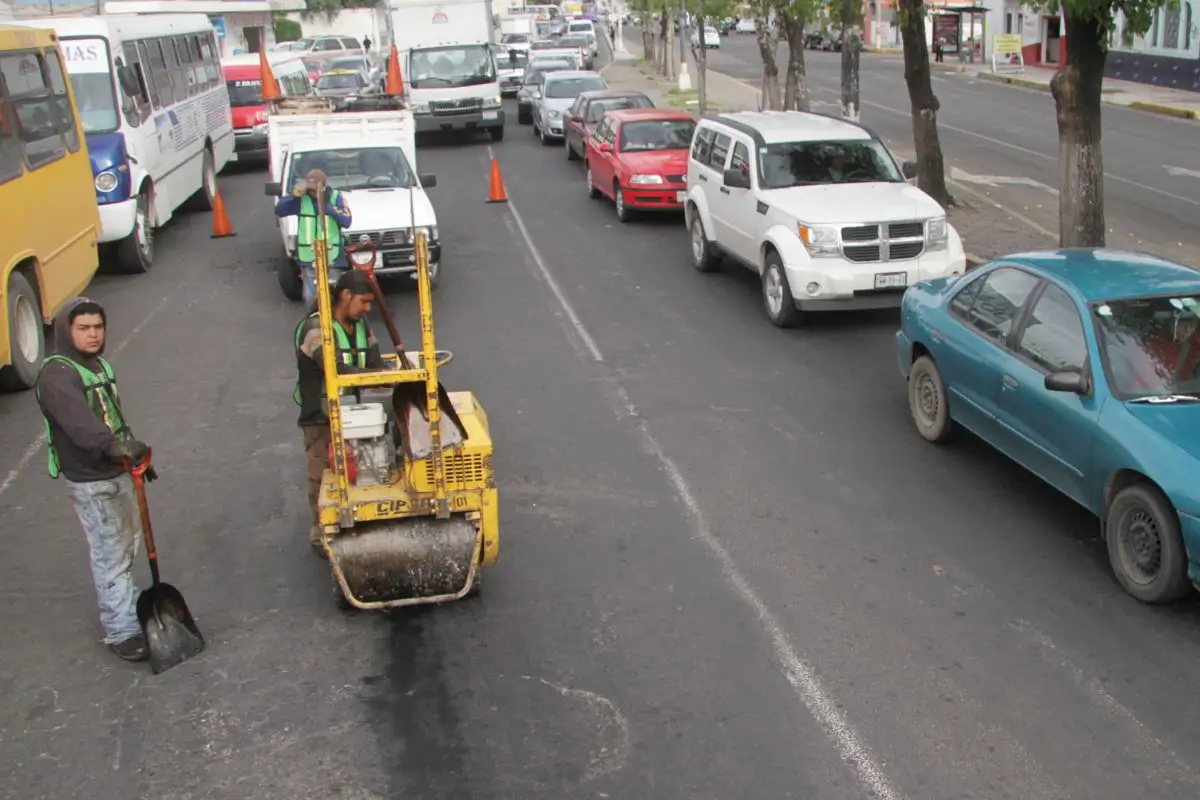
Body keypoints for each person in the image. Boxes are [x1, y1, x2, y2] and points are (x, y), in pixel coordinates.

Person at [36, 298, 154, 663]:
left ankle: (129, 606)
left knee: (126, 546)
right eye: (83, 328)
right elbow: (81, 426)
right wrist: (114, 447)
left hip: (117, 470)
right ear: (66, 332)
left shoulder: (98, 365)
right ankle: (122, 630)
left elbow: (111, 415)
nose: (93, 334)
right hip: (91, 479)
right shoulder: (58, 375)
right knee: (109, 553)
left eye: (98, 327)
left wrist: (135, 455)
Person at [294, 270, 385, 556]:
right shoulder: (314, 330)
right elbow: (334, 370)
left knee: (366, 466)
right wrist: (373, 376)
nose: (367, 308)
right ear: (345, 296)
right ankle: (321, 532)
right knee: (322, 475)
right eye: (364, 301)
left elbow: (375, 362)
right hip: (321, 416)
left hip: (358, 413)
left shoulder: (361, 325)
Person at [275, 168, 353, 309]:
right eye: (310, 189)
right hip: (309, 256)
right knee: (311, 296)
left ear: (324, 186)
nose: (312, 193)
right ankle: (315, 322)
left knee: (334, 294)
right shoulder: (301, 200)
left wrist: (328, 208)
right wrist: (293, 196)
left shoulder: (336, 197)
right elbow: (280, 210)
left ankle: (336, 324)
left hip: (332, 256)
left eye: (315, 190)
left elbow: (347, 220)